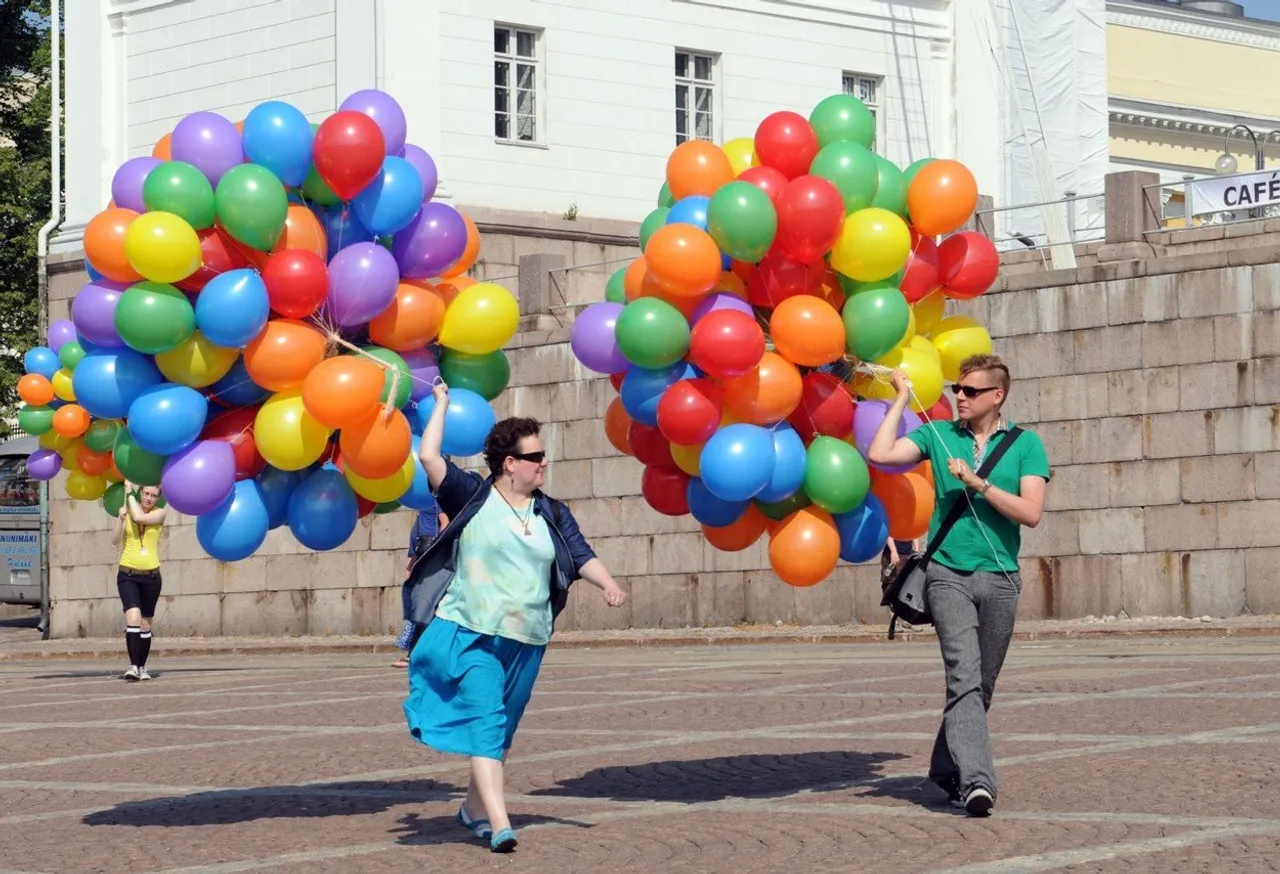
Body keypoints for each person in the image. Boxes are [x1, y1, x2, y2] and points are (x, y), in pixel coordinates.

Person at [403, 381, 627, 853]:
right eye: (536, 456)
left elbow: (579, 553)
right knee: (486, 721)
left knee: (500, 731)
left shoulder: (551, 511)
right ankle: (501, 825)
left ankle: (472, 810)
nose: (544, 462)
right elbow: (428, 457)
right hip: (474, 632)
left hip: (527, 638)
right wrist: (440, 404)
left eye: (543, 456)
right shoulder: (472, 496)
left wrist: (606, 583)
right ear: (510, 464)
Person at [867, 354, 1049, 818]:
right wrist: (902, 399)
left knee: (981, 684)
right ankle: (977, 783)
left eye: (970, 391)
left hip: (1002, 579)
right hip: (946, 575)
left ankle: (945, 767)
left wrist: (978, 483)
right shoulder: (938, 433)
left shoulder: (1027, 445)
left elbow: (1030, 512)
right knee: (963, 675)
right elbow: (881, 455)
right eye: (957, 390)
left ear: (997, 395)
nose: (959, 398)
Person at [110, 481, 167, 682]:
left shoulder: (159, 514)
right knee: (133, 617)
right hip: (128, 574)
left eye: (153, 495)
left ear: (158, 499)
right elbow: (115, 540)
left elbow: (140, 517)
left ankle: (142, 667)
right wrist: (120, 518)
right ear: (141, 492)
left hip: (152, 576)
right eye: (146, 494)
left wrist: (129, 492)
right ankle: (134, 666)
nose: (149, 499)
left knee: (145, 624)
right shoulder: (129, 510)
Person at [392, 501, 450, 668]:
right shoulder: (423, 500)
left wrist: (436, 552)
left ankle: (415, 653)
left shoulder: (436, 498)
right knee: (419, 603)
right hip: (422, 552)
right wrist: (412, 556)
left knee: (423, 604)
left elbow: (444, 523)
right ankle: (417, 652)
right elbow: (419, 527)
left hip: (429, 551)